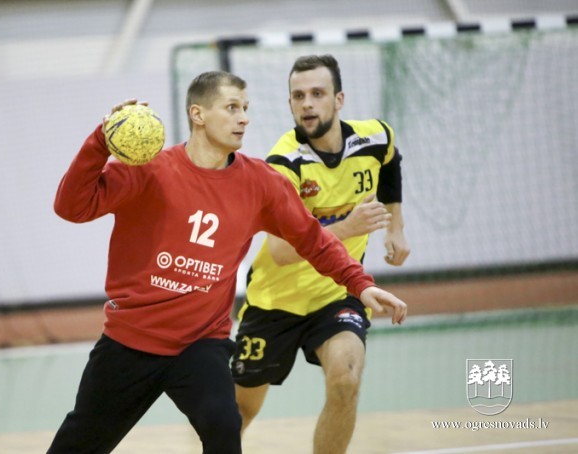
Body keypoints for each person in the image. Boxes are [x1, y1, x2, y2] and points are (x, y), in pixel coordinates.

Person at [47, 70, 407, 453]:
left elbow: (312, 239)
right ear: (198, 114)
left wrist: (360, 284)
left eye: (246, 108)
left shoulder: (261, 182)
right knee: (78, 444)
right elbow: (71, 207)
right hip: (130, 341)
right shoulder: (148, 170)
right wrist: (101, 141)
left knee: (224, 424)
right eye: (232, 107)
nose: (244, 118)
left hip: (200, 344)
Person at [231, 54, 410, 453]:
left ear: (339, 99)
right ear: (290, 105)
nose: (307, 103)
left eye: (317, 93)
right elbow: (280, 251)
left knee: (346, 381)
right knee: (240, 411)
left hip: (336, 294)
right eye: (298, 96)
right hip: (275, 301)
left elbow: (391, 160)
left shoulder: (373, 138)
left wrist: (395, 226)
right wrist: (348, 227)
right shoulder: (283, 164)